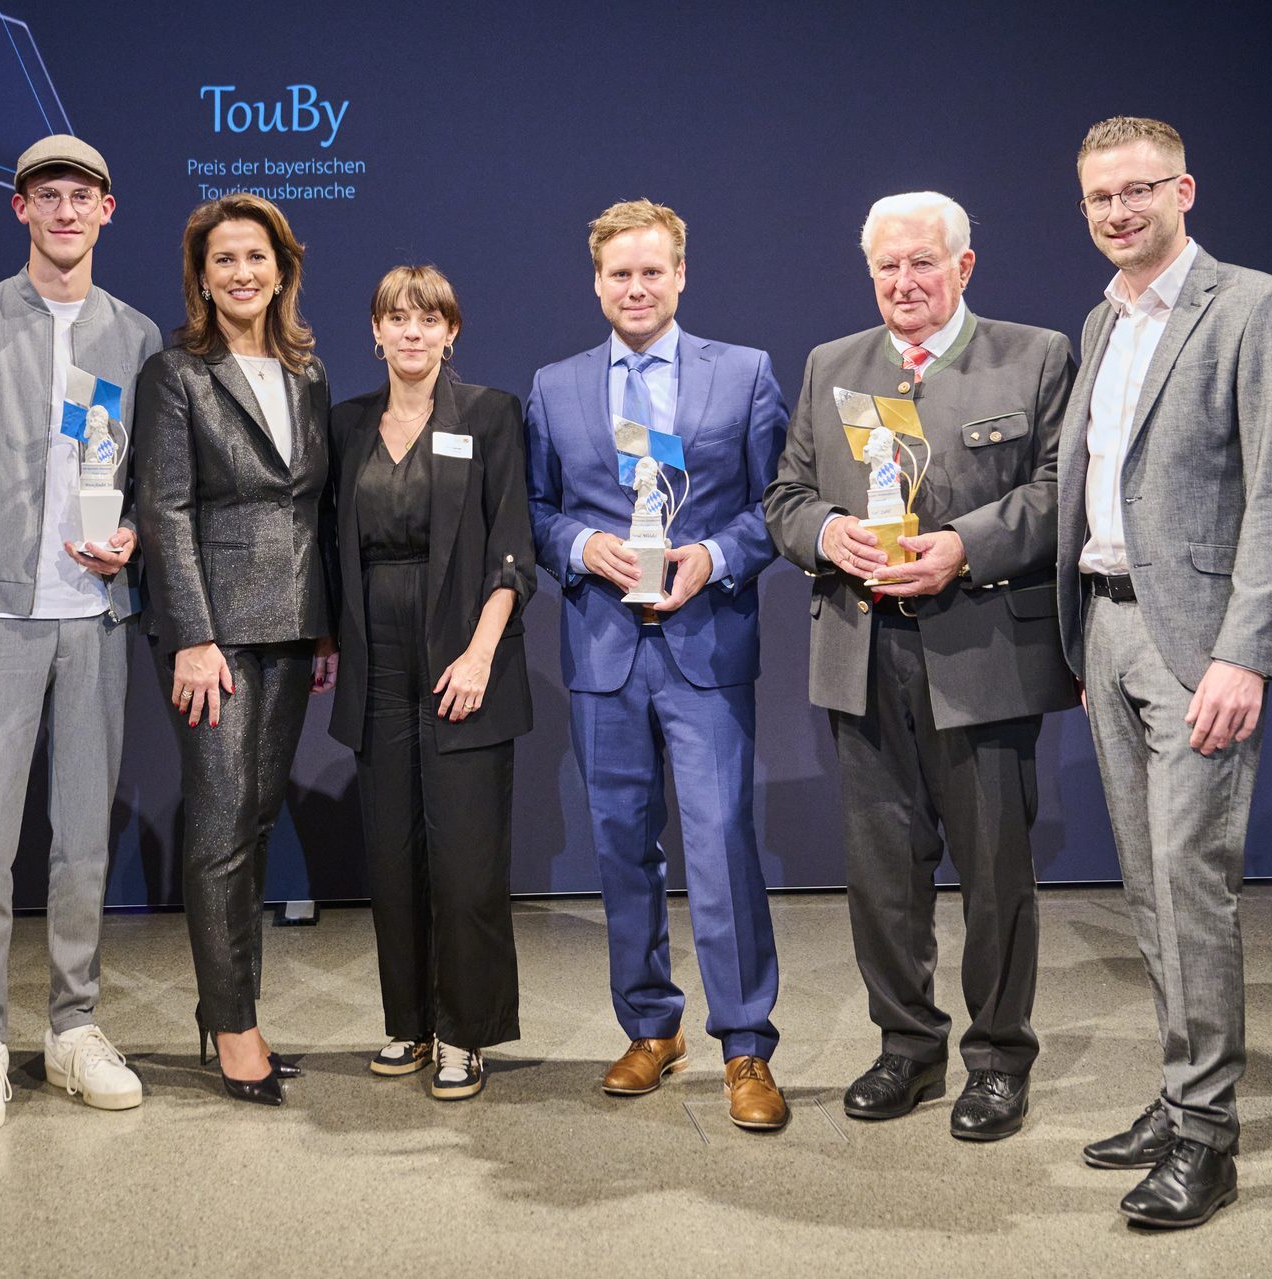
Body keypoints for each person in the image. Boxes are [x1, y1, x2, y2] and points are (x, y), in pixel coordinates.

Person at [764, 192, 1077, 1143]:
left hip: (979, 649)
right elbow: (785, 497)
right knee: (881, 873)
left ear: (964, 267)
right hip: (860, 654)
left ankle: (996, 1058)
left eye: (921, 264)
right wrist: (827, 533)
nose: (903, 283)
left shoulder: (1034, 355)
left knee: (994, 873)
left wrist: (964, 546)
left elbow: (1064, 490)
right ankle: (905, 1045)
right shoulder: (832, 365)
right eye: (886, 268)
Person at [1057, 116, 1272, 1229]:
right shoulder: (1101, 318)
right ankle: (1176, 1096)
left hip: (1198, 647)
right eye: (1098, 198)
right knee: (1147, 886)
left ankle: (1205, 1132)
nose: (1117, 211)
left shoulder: (1257, 307)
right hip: (1107, 631)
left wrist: (1240, 653)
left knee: (1191, 883)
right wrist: (1083, 637)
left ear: (1183, 190)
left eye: (1136, 190)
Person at [0, 135, 162, 1135]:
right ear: (20, 209)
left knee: (80, 842)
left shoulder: (137, 337)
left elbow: (149, 482)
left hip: (95, 621)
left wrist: (134, 539)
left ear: (109, 211)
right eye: (46, 196)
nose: (64, 211)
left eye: (82, 196)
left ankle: (71, 1030)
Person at [525, 199, 790, 1131]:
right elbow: (536, 508)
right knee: (621, 848)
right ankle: (650, 1025)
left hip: (704, 646)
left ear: (680, 275)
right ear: (595, 283)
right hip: (603, 651)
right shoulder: (554, 387)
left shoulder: (745, 375)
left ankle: (746, 1045)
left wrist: (711, 558)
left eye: (651, 272)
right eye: (617, 274)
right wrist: (580, 546)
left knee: (719, 845)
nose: (634, 289)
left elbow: (778, 507)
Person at [134, 193, 336, 1107]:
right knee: (220, 829)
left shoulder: (309, 372)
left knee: (252, 821)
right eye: (223, 260)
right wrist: (191, 637)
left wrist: (322, 623)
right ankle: (234, 1027)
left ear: (281, 268)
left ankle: (233, 1009)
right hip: (214, 634)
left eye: (256, 256)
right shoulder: (174, 372)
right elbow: (165, 509)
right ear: (201, 276)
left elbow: (314, 509)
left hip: (292, 628)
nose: (242, 273)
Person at [326, 266, 535, 1101]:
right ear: (374, 332)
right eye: (395, 318)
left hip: (463, 659)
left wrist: (482, 652)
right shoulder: (346, 425)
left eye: (428, 318)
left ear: (453, 332)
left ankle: (465, 1034)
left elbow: (513, 548)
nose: (411, 333)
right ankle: (409, 1023)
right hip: (377, 661)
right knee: (392, 854)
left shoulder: (489, 415)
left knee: (466, 860)